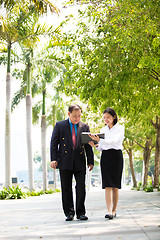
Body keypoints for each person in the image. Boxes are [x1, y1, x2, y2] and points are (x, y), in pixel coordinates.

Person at [50, 104, 94, 221]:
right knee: (66, 188)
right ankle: (69, 213)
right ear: (69, 114)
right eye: (75, 116)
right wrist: (53, 159)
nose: (77, 118)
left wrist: (90, 161)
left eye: (79, 116)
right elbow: (54, 143)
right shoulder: (60, 125)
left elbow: (88, 146)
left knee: (80, 187)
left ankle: (81, 213)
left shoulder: (85, 126)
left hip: (79, 161)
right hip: (64, 161)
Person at [89, 107, 124, 220]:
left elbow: (114, 142)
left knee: (115, 185)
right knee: (107, 184)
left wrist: (100, 140)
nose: (106, 119)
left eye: (108, 117)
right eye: (104, 118)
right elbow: (102, 147)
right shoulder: (103, 130)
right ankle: (109, 211)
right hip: (106, 157)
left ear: (114, 117)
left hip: (116, 156)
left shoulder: (120, 128)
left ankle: (114, 210)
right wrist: (96, 145)